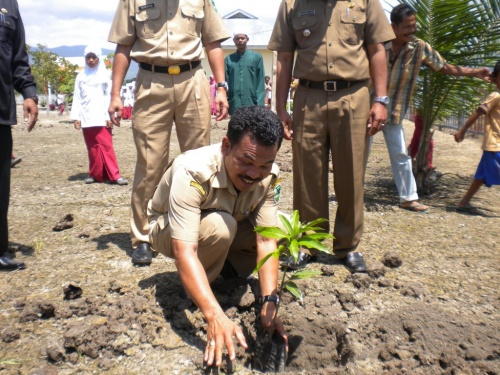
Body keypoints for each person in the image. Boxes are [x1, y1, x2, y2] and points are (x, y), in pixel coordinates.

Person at [147, 106, 287, 366]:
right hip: (168, 228)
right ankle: (200, 293)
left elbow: (267, 240)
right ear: (226, 146)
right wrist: (214, 315)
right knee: (220, 227)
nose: (254, 174)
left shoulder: (270, 177)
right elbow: (184, 250)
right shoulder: (192, 171)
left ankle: (225, 271)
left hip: (227, 223)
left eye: (264, 165)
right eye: (245, 161)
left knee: (282, 232)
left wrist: (269, 302)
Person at [268, 0, 394, 271]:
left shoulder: (365, 2)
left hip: (353, 95)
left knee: (351, 174)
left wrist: (381, 100)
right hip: (307, 97)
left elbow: (376, 50)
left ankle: (348, 246)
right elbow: (285, 58)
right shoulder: (292, 4)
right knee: (308, 175)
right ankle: (309, 243)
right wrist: (280, 109)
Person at [108, 0, 230, 266]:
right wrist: (116, 93)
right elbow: (123, 46)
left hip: (193, 80)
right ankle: (143, 237)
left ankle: (197, 228)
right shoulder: (133, 1)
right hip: (151, 83)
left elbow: (213, 42)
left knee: (200, 162)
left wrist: (221, 87)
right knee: (150, 164)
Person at [380, 3, 491, 212]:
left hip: (394, 111)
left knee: (401, 155)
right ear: (393, 26)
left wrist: (474, 72)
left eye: (414, 26)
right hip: (370, 109)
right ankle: (351, 196)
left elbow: (444, 67)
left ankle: (408, 198)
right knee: (359, 154)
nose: (412, 31)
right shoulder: (377, 43)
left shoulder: (419, 47)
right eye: (407, 27)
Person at [0, 0, 38, 271]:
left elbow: (17, 55)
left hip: (0, 113)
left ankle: (0, 249)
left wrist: (28, 92)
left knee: (1, 187)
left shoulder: (9, 6)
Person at [70, 45, 128, 186]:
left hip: (102, 117)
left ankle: (114, 175)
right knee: (92, 147)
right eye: (88, 57)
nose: (91, 60)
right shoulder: (81, 77)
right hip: (86, 116)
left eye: (93, 57)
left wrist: (108, 116)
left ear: (98, 58)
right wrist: (76, 117)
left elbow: (108, 97)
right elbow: (77, 97)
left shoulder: (105, 75)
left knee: (106, 146)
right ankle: (95, 174)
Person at [454, 61, 500, 215]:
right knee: (482, 176)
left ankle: (464, 203)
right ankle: (464, 202)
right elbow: (478, 113)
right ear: (494, 79)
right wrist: (463, 130)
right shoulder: (495, 96)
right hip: (495, 144)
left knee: (481, 177)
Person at [225, 33, 266, 115]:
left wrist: (260, 103)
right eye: (237, 38)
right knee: (236, 125)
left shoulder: (256, 57)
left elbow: (260, 81)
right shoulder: (228, 59)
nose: (240, 40)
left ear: (247, 39)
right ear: (234, 41)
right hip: (234, 102)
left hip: (251, 101)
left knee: (252, 125)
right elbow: (226, 82)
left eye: (242, 38)